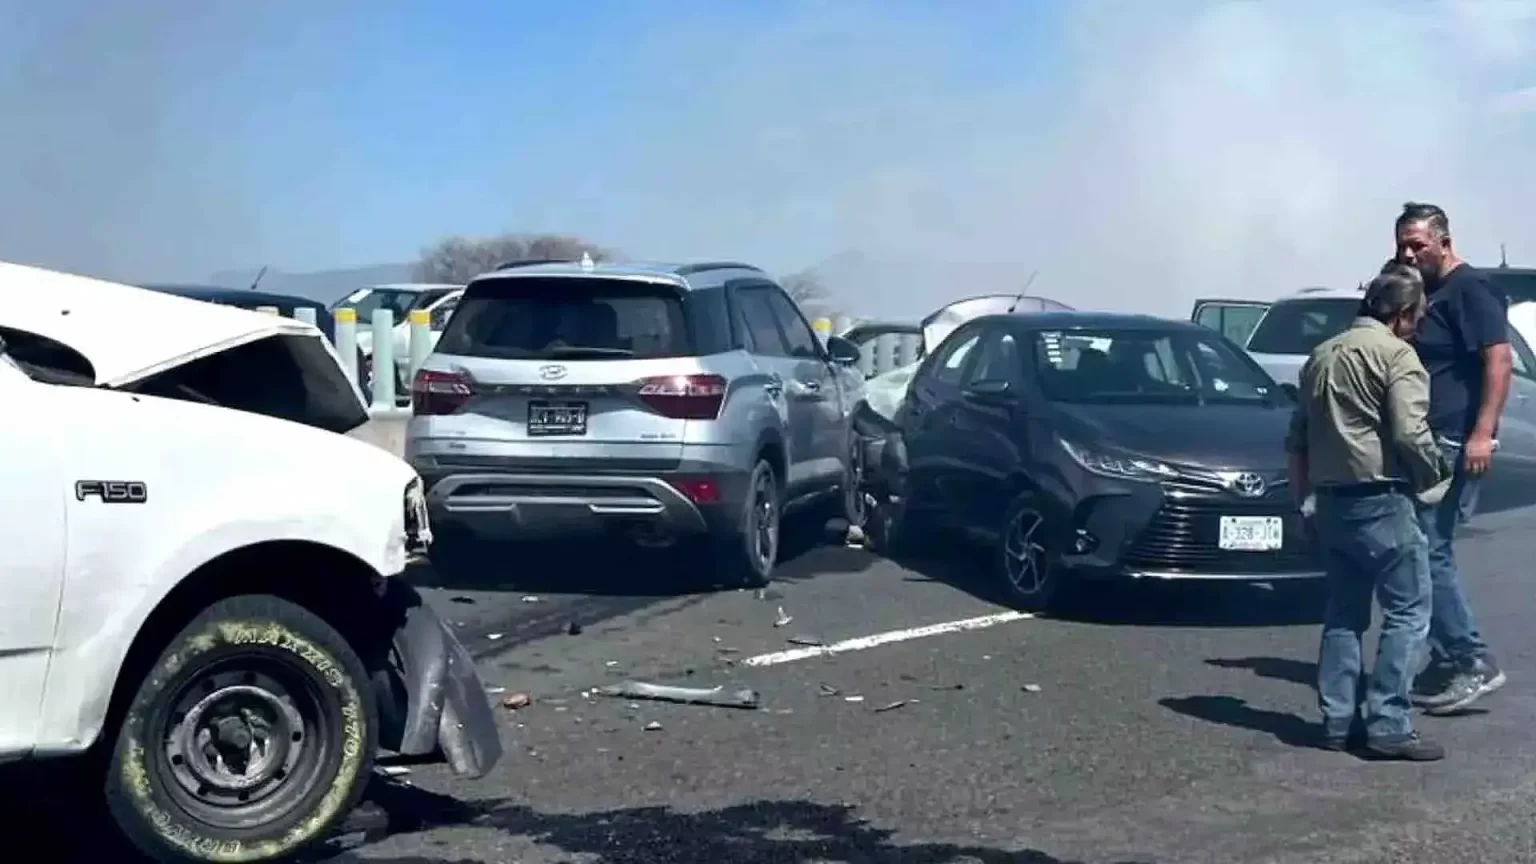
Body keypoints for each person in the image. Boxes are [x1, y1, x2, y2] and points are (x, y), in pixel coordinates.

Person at [1286, 266, 1452, 760]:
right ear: (1402, 315)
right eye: (1418, 317)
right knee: (1407, 612)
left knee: (1343, 615)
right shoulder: (1398, 356)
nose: (1419, 325)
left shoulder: (1321, 355)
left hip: (1332, 501)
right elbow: (1408, 432)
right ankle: (1388, 724)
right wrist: (1436, 475)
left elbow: (1296, 440)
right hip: (1382, 498)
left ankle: (1337, 721)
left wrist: (1303, 505)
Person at [1393, 201, 1511, 714]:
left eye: (1417, 244)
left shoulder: (1469, 289)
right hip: (1424, 438)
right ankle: (1445, 658)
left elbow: (1498, 360)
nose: (1408, 253)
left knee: (1428, 549)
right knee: (1423, 548)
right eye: (1402, 244)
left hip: (1451, 440)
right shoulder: (1425, 290)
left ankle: (1470, 659)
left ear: (1444, 241)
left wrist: (1483, 433)